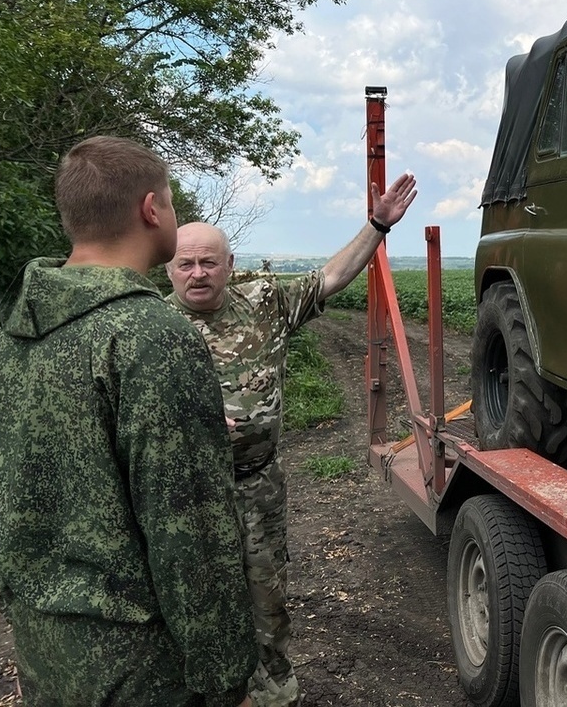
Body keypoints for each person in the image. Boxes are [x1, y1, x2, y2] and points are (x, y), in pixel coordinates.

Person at [0, 136, 257, 706]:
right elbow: (190, 530)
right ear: (152, 209)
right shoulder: (150, 337)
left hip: (41, 639)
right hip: (140, 659)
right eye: (170, 201)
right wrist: (224, 676)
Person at [167, 172, 417, 707]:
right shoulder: (148, 328)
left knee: (267, 594)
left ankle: (274, 691)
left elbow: (330, 277)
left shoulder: (263, 303)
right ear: (168, 266)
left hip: (257, 488)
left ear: (229, 266)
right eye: (185, 263)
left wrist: (376, 225)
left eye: (208, 262)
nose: (197, 273)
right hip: (183, 499)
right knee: (191, 604)